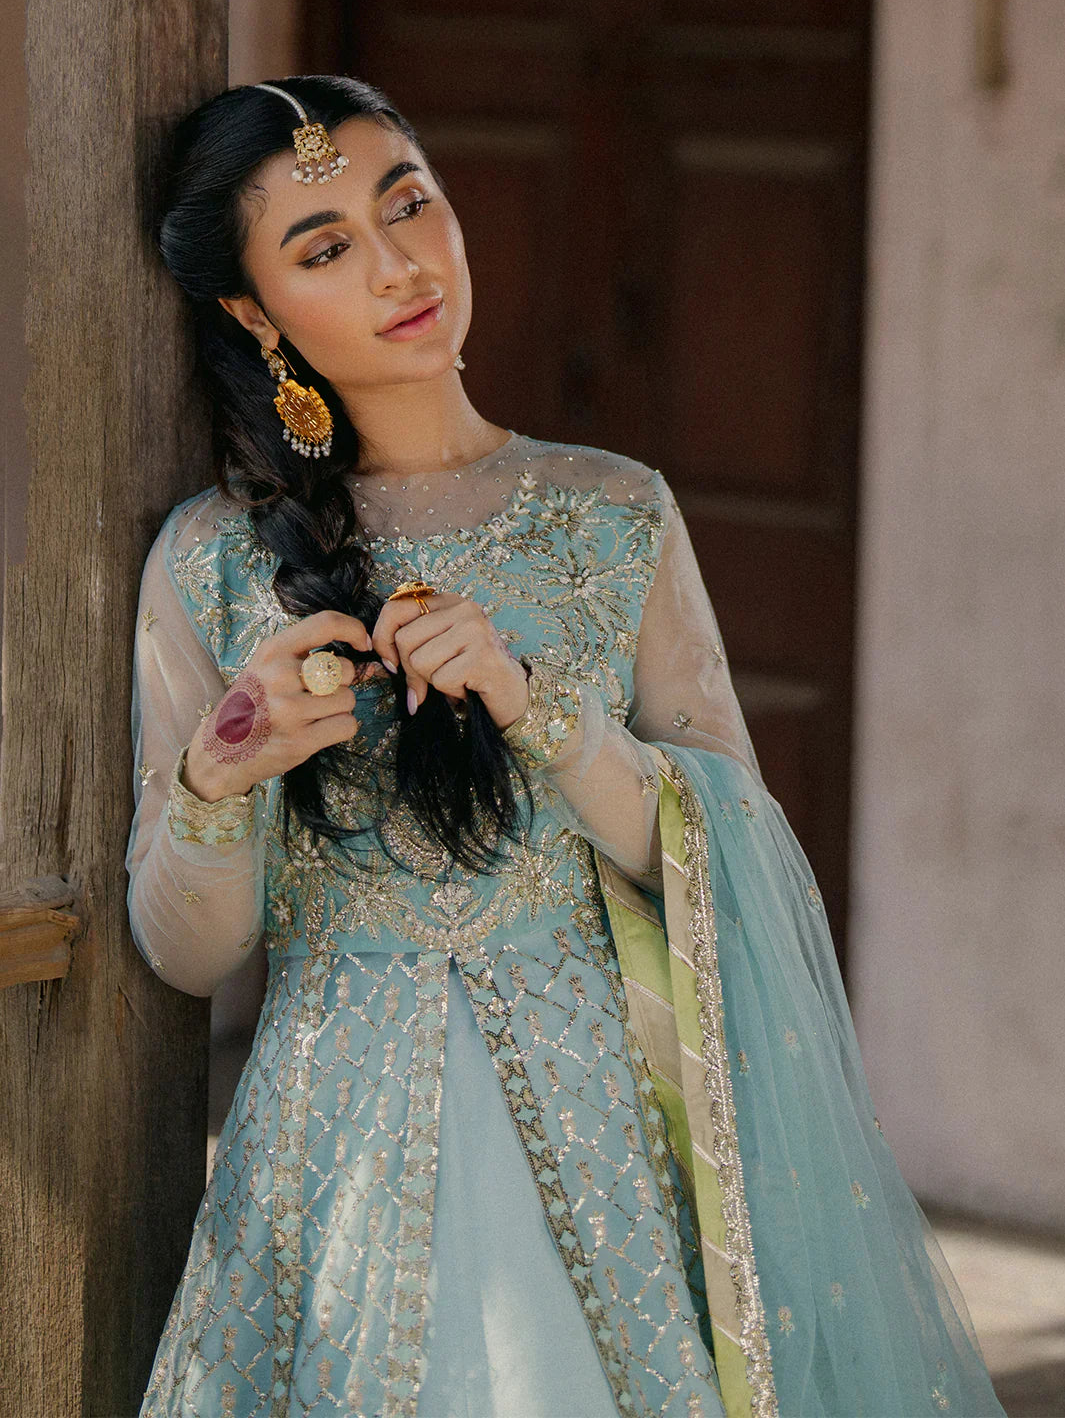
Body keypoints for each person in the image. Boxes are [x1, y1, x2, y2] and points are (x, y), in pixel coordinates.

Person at [126, 75, 1006, 1418]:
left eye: (407, 204)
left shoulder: (613, 512)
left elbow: (731, 855)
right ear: (254, 312)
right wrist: (218, 777)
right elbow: (186, 952)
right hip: (326, 1170)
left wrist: (539, 712)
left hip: (602, 1143)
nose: (399, 264)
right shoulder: (210, 560)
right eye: (325, 247)